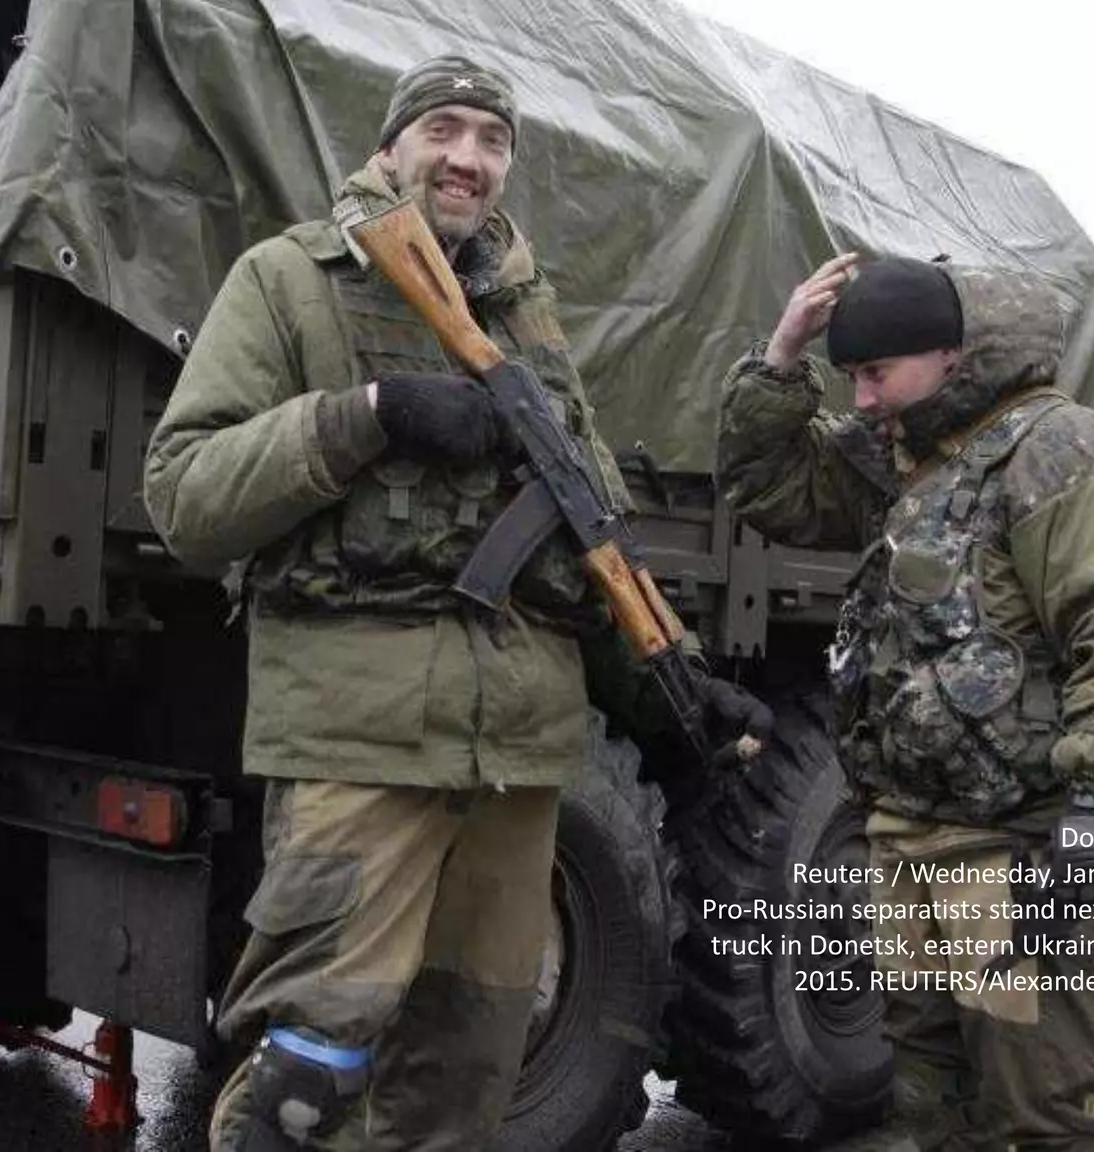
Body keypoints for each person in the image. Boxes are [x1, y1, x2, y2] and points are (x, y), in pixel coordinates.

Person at [145, 54, 755, 1151]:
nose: (468, 158)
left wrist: (677, 686)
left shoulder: (531, 324)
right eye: (444, 130)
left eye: (492, 140)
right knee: (305, 1085)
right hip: (361, 741)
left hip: (518, 768)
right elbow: (185, 496)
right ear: (390, 148)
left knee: (465, 1080)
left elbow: (584, 552)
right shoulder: (290, 280)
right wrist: (367, 414)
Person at [717, 254, 1094, 1150]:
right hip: (914, 836)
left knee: (1038, 1106)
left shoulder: (1056, 450)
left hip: (1022, 851)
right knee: (931, 1099)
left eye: (876, 372)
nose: (862, 398)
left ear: (951, 354)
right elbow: (770, 489)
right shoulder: (910, 455)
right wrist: (781, 358)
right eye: (852, 376)